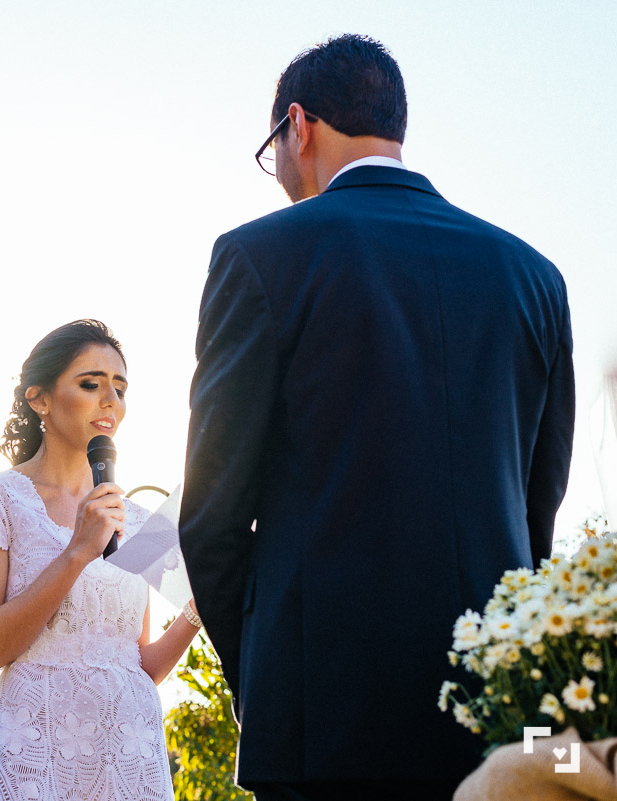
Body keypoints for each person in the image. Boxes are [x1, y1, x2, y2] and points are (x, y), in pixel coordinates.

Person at [179, 34, 575, 801]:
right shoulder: (534, 276)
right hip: (493, 713)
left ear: (298, 126)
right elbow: (536, 509)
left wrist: (260, 666)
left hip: (320, 714)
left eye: (274, 149)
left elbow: (213, 514)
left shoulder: (258, 255)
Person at [0, 319, 202, 801]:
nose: (111, 401)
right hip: (34, 754)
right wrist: (78, 551)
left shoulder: (137, 518)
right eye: (91, 384)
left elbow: (141, 665)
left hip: (129, 756)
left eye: (121, 388)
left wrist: (196, 609)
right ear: (39, 399)